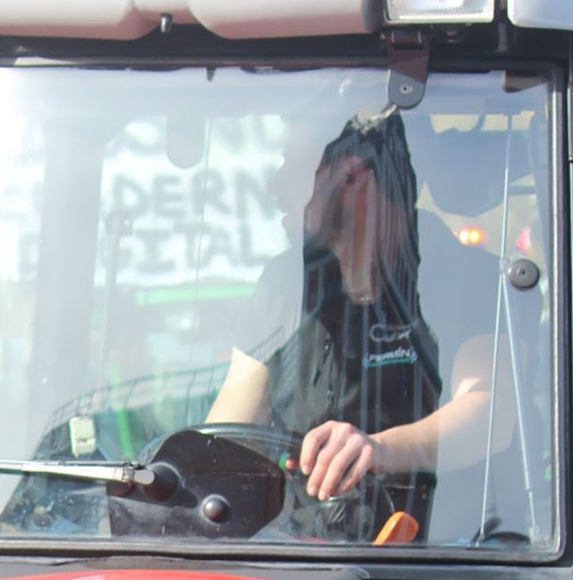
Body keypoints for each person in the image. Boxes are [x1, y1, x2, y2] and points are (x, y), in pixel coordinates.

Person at [206, 108, 494, 517]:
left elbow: (488, 414)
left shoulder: (461, 273)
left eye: (293, 165)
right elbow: (228, 433)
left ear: (351, 175)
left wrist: (379, 449)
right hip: (300, 551)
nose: (273, 185)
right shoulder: (285, 282)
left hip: (440, 557)